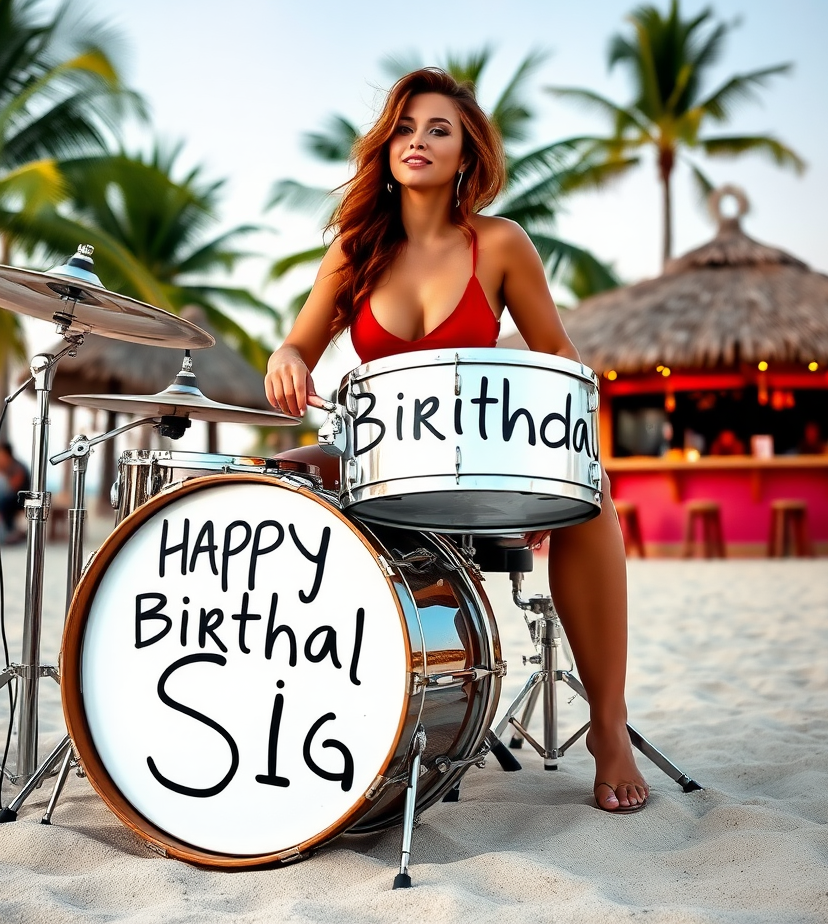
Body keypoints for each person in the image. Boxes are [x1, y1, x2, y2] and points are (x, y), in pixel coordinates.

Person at [264, 68, 648, 812]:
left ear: (467, 152)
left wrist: (553, 470)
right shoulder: (354, 249)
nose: (417, 141)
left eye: (438, 129)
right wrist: (285, 361)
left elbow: (559, 359)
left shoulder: (501, 244)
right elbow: (297, 349)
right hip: (379, 460)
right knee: (273, 475)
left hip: (472, 464)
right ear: (386, 148)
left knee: (594, 499)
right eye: (404, 128)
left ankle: (608, 724)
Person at [0, 441, 31, 541]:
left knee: (4, 503)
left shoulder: (16, 465)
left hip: (22, 498)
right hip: (15, 497)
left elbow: (15, 485)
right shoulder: (9, 465)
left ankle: (10, 532)